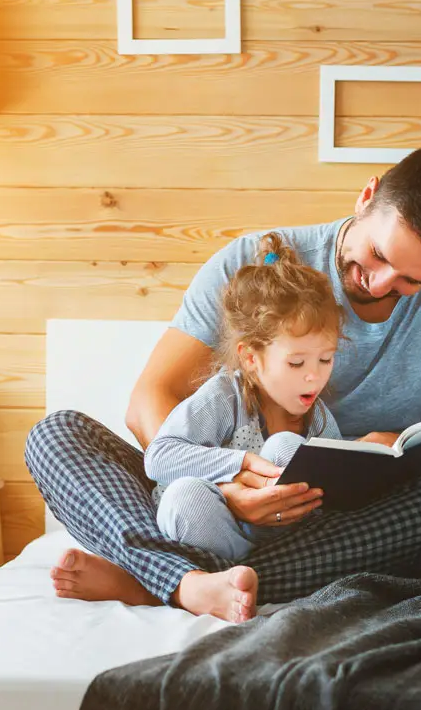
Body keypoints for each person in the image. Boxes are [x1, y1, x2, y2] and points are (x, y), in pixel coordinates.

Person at [25, 146, 421, 623]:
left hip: (323, 525)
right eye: (378, 255)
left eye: (411, 281)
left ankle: (159, 583)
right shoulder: (251, 262)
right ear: (367, 196)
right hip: (200, 491)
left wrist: (390, 454)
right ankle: (185, 580)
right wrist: (228, 482)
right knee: (58, 435)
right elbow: (150, 401)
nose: (380, 284)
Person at [147, 231, 344, 561]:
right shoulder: (226, 396)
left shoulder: (317, 416)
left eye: (326, 359)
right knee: (185, 496)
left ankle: (256, 572)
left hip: (281, 543)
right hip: (214, 528)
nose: (315, 375)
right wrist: (240, 465)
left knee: (287, 447)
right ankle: (236, 573)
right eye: (296, 363)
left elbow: (336, 491)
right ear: (251, 358)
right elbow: (160, 456)